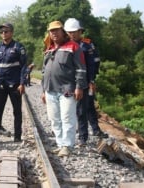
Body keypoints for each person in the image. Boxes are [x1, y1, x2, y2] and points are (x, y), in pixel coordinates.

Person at [41, 21, 87, 157]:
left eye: (57, 30)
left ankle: (68, 145)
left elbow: (81, 68)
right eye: (51, 31)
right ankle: (60, 144)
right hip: (50, 90)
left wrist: (79, 87)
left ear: (63, 31)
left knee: (67, 117)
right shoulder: (49, 49)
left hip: (67, 89)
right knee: (54, 119)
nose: (54, 33)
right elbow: (44, 72)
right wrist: (43, 90)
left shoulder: (73, 47)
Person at [63, 18, 108, 146]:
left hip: (85, 82)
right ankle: (87, 131)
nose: (72, 34)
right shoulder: (65, 46)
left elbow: (94, 64)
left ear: (80, 31)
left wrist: (92, 81)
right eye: (70, 32)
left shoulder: (86, 45)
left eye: (74, 32)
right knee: (77, 109)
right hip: (69, 83)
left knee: (84, 108)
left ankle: (85, 136)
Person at [0, 23, 27, 143]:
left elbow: (24, 66)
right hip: (1, 83)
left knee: (17, 111)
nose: (3, 34)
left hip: (14, 84)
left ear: (12, 33)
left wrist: (22, 83)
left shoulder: (18, 47)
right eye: (1, 32)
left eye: (6, 31)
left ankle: (17, 136)